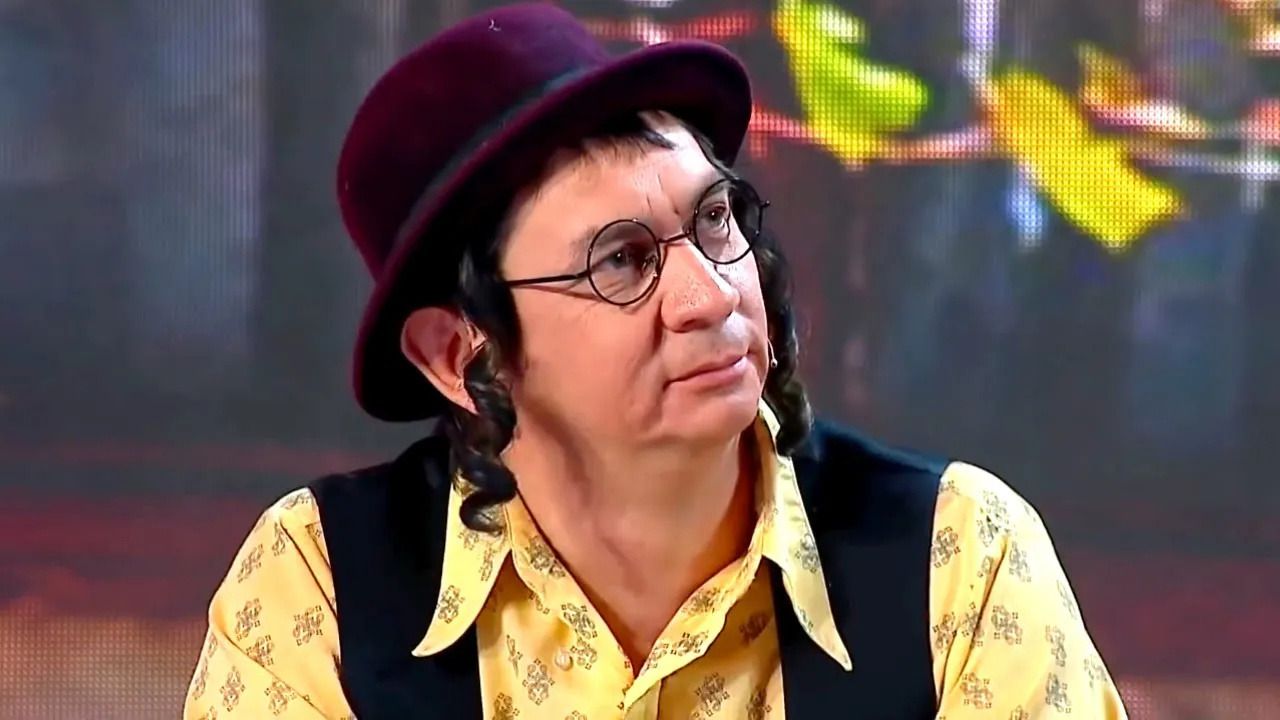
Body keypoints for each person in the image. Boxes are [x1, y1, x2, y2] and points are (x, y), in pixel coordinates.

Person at [183, 3, 1128, 718]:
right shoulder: (322, 586)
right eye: (623, 262)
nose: (713, 296)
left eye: (715, 219)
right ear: (462, 352)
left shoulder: (957, 558)